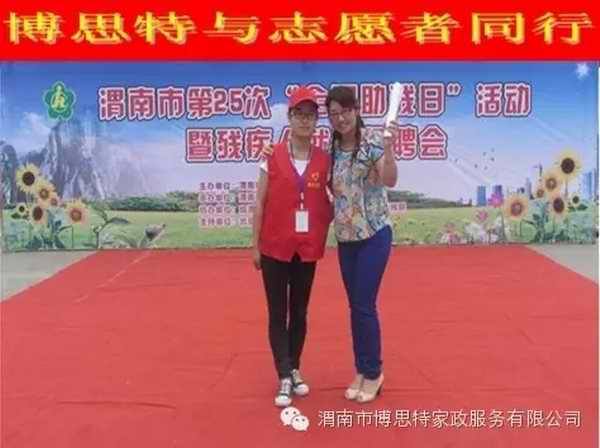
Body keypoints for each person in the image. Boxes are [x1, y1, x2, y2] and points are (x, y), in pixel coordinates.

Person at [252, 86, 333, 407]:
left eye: (310, 115)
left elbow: (335, 196)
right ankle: (283, 375)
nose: (304, 120)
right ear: (289, 117)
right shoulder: (271, 155)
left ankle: (294, 367)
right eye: (299, 114)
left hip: (307, 248)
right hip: (274, 246)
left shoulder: (324, 160)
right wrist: (254, 245)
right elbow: (260, 202)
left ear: (316, 122)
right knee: (278, 312)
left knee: (300, 312)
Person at [326, 85, 398, 403]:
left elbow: (390, 179)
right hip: (346, 239)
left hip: (374, 234)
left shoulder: (372, 141)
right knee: (355, 306)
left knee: (364, 305)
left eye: (345, 111)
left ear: (356, 111)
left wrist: (389, 149)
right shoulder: (331, 148)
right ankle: (361, 368)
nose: (340, 119)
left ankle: (373, 373)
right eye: (334, 114)